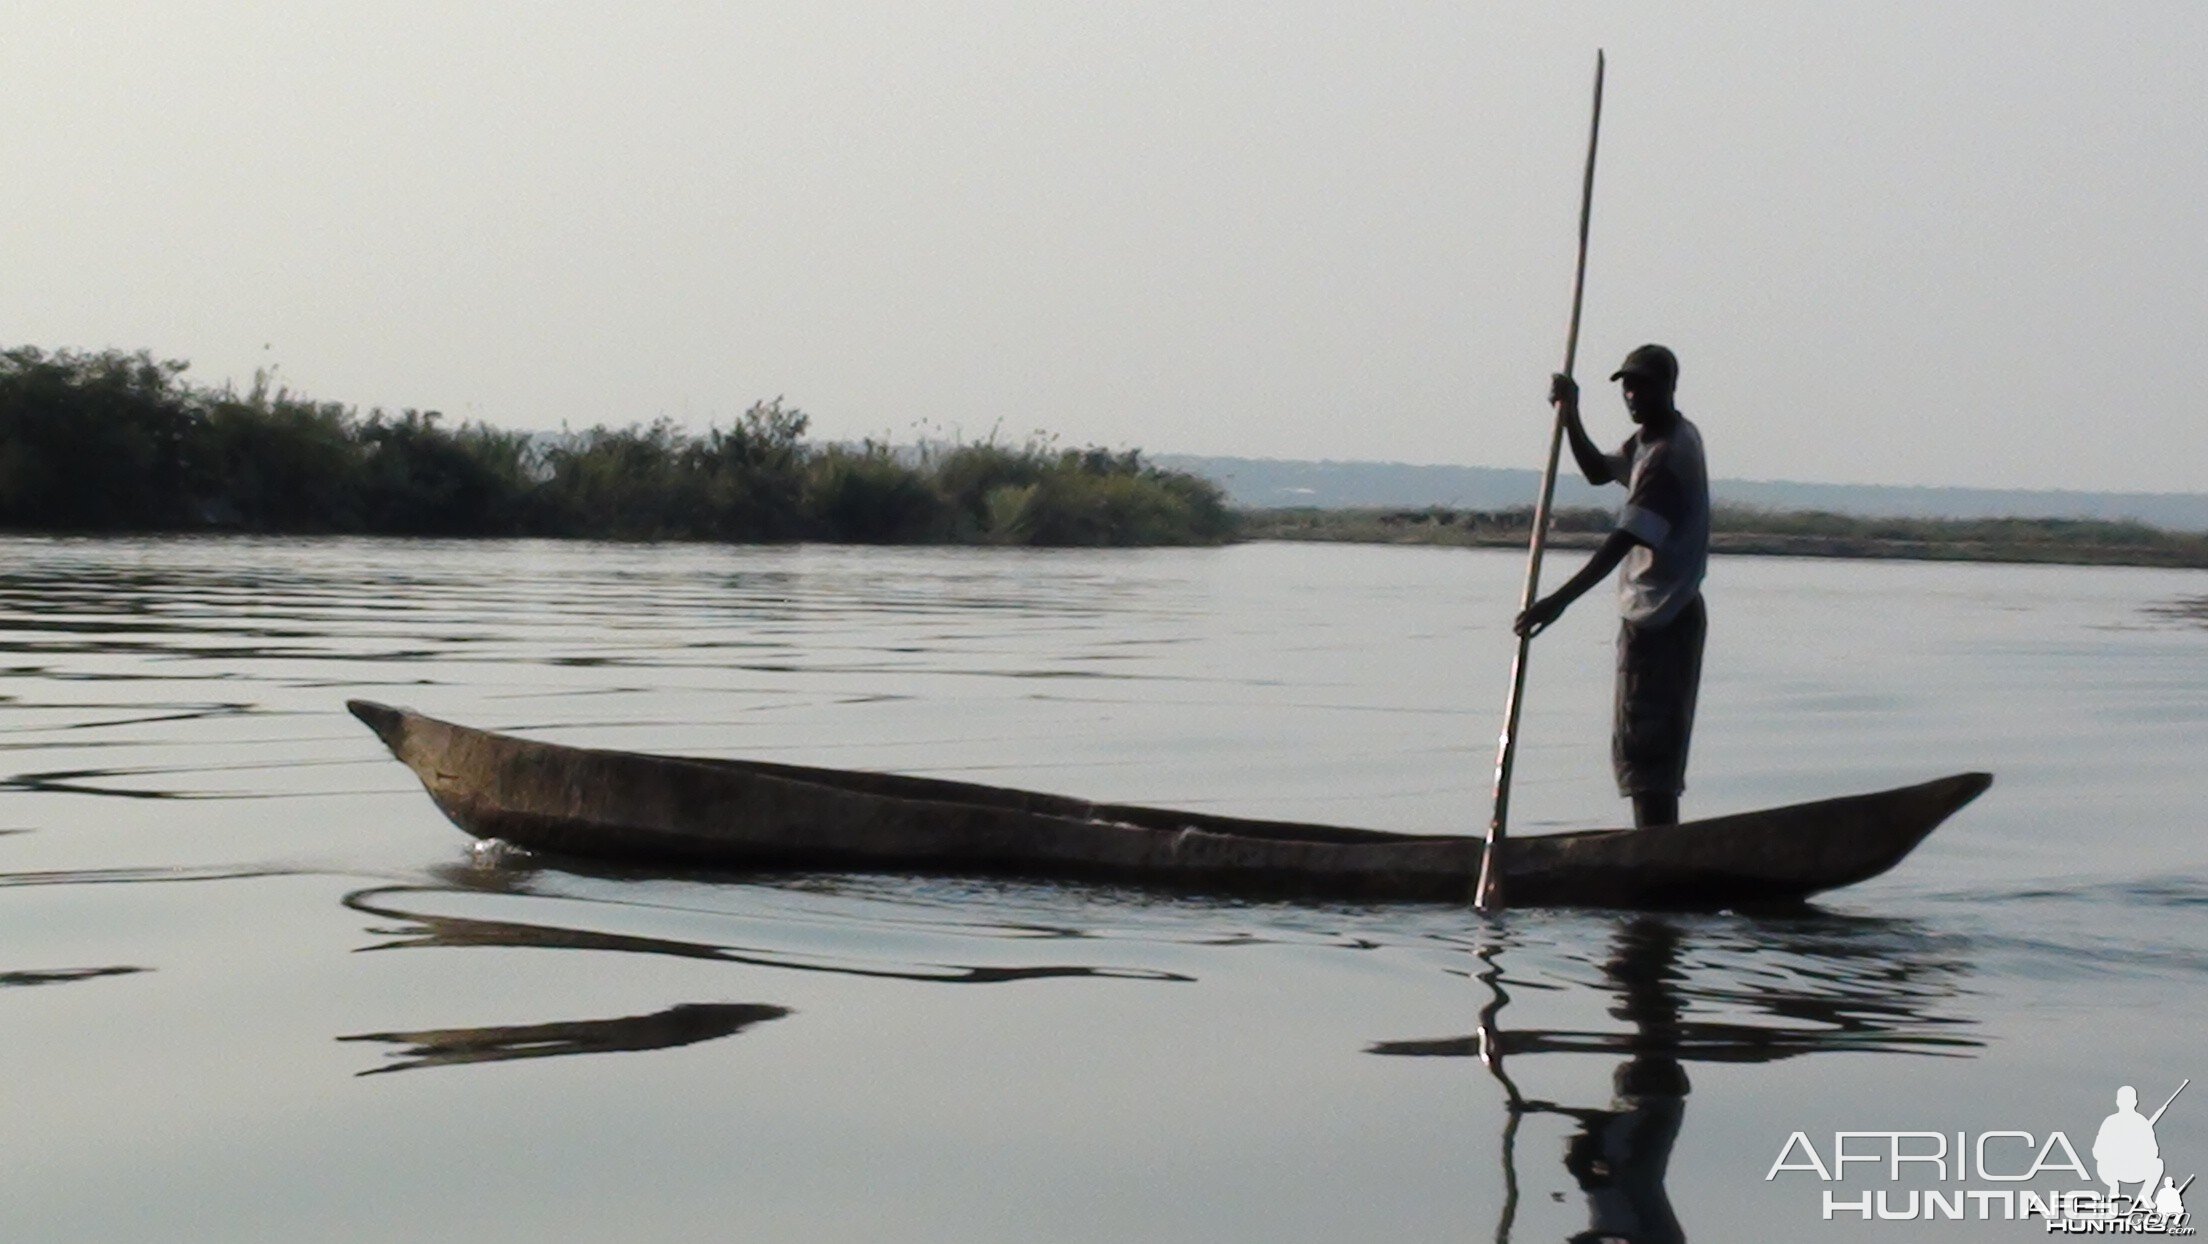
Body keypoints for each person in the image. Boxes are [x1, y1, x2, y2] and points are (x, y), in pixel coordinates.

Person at [1514, 344, 1710, 829]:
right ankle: (1656, 853)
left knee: (1649, 754)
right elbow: (1598, 472)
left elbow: (1622, 540)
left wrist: (1557, 602)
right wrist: (1570, 414)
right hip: (1653, 616)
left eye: (1642, 385)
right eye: (1627, 385)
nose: (1631, 394)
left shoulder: (1669, 455)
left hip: (1664, 618)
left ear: (1668, 388)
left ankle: (1657, 856)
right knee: (1641, 749)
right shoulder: (1648, 441)